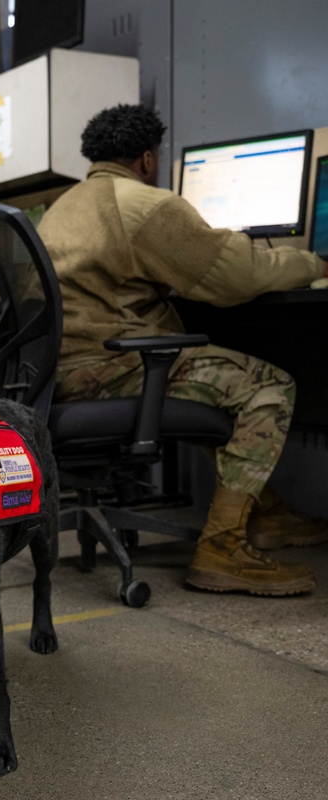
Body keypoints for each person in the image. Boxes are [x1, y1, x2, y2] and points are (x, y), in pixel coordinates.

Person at [37, 103, 328, 598]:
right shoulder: (144, 206)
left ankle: (268, 512)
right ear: (148, 160)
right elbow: (238, 275)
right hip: (112, 366)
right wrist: (314, 264)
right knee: (268, 387)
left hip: (60, 372)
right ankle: (223, 546)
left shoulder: (62, 207)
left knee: (212, 385)